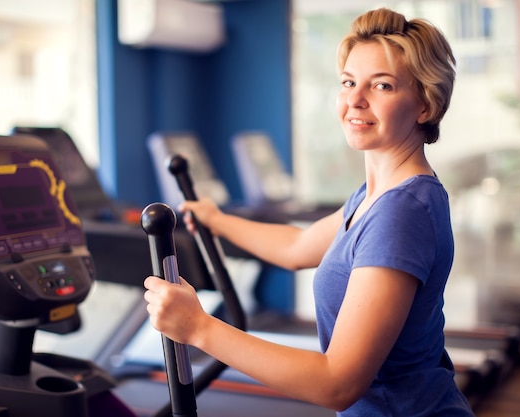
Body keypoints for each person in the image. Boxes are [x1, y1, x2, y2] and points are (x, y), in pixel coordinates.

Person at [144, 7, 475, 416]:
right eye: (349, 82)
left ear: (425, 104)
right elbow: (298, 246)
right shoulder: (376, 197)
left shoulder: (401, 211)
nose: (355, 99)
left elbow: (337, 383)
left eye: (382, 86)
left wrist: (198, 327)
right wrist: (218, 220)